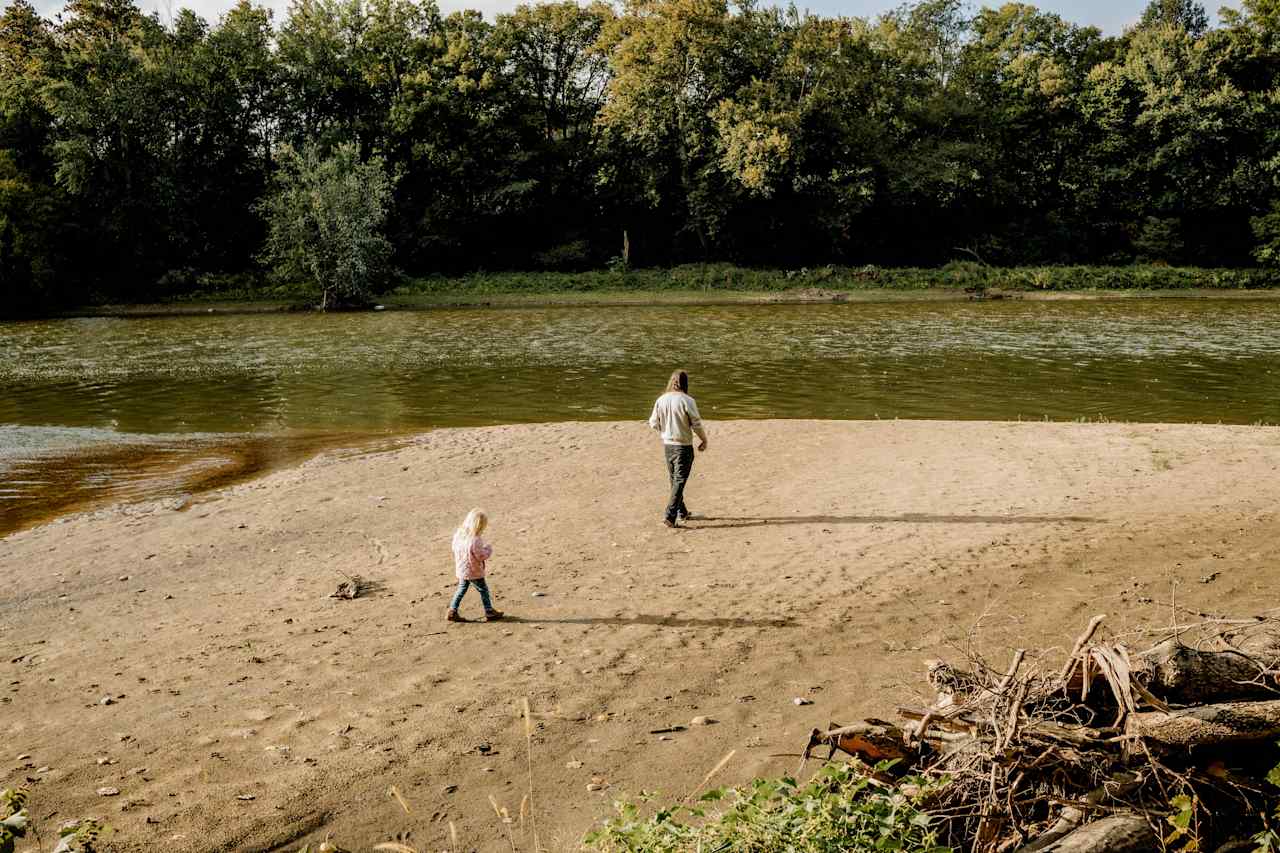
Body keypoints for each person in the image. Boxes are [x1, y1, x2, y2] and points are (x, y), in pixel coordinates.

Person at [648, 369, 708, 528]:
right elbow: (696, 424)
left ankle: (682, 512)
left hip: (668, 446)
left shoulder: (661, 399)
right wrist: (704, 440)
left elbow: (653, 422)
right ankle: (670, 515)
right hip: (683, 446)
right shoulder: (687, 400)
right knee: (679, 481)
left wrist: (665, 431)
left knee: (674, 480)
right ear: (685, 383)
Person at [447, 508, 504, 622]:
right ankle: (489, 611)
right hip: (474, 571)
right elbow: (481, 556)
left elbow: (454, 548)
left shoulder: (459, 535)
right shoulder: (475, 540)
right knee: (483, 590)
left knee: (461, 589)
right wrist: (488, 549)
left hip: (462, 569)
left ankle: (452, 610)